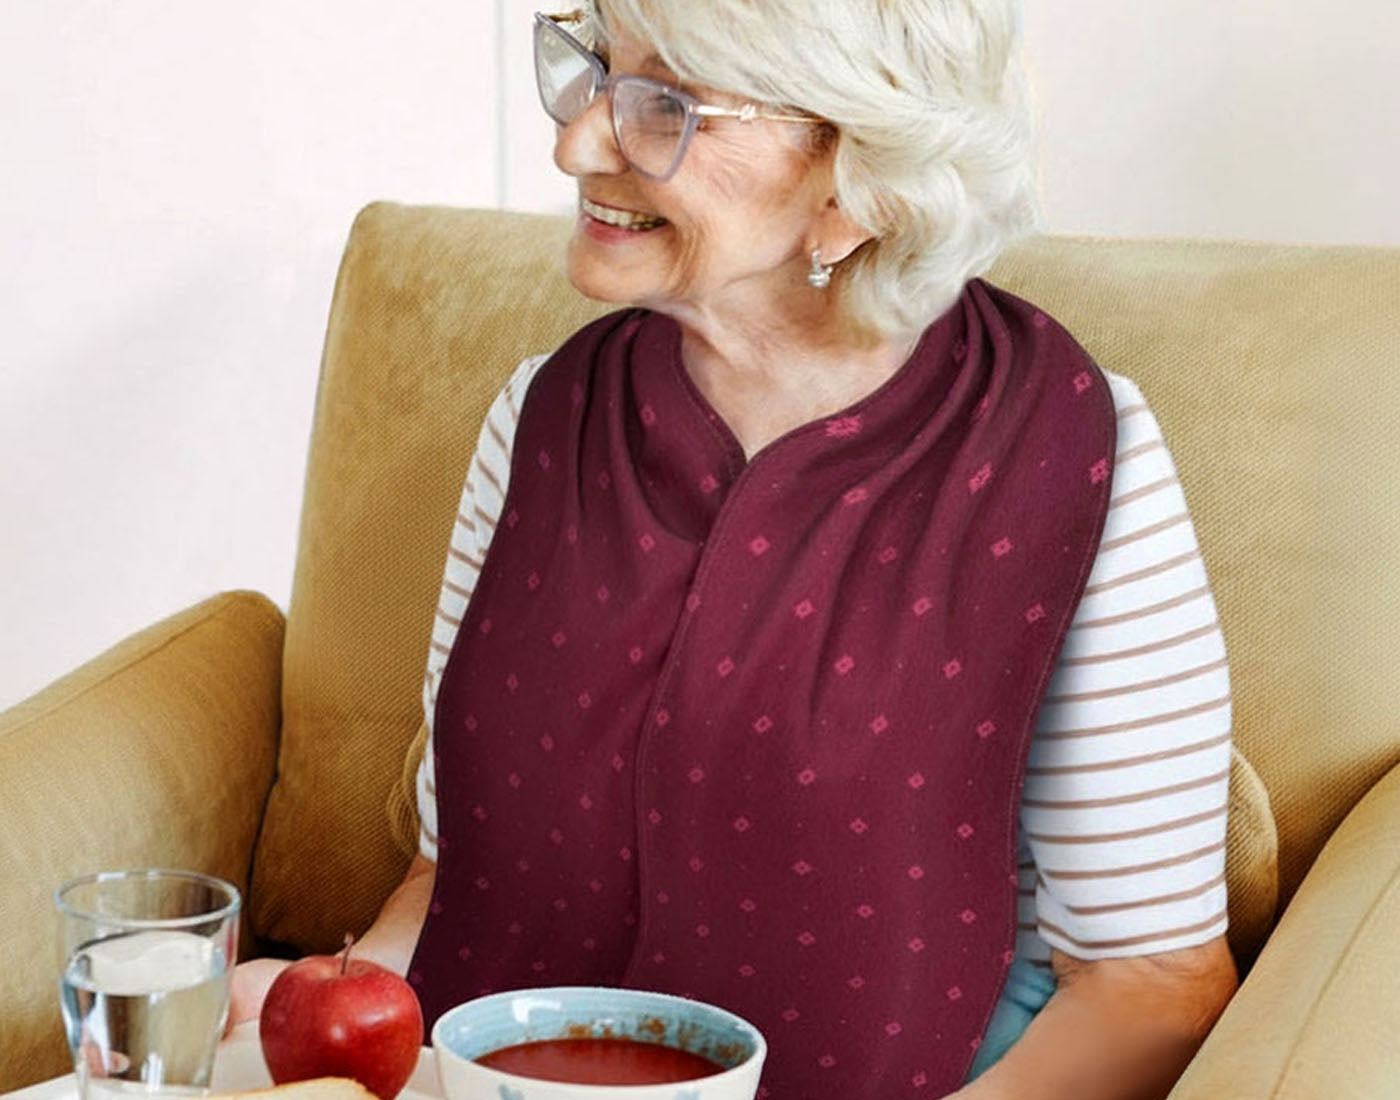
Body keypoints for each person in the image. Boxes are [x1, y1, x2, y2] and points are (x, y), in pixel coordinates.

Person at [233, 1, 1239, 1095]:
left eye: (664, 106)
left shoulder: (1068, 450)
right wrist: (320, 1040)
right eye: (590, 71)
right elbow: (456, 872)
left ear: (857, 179)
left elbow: (1149, 982)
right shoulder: (539, 415)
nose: (574, 143)